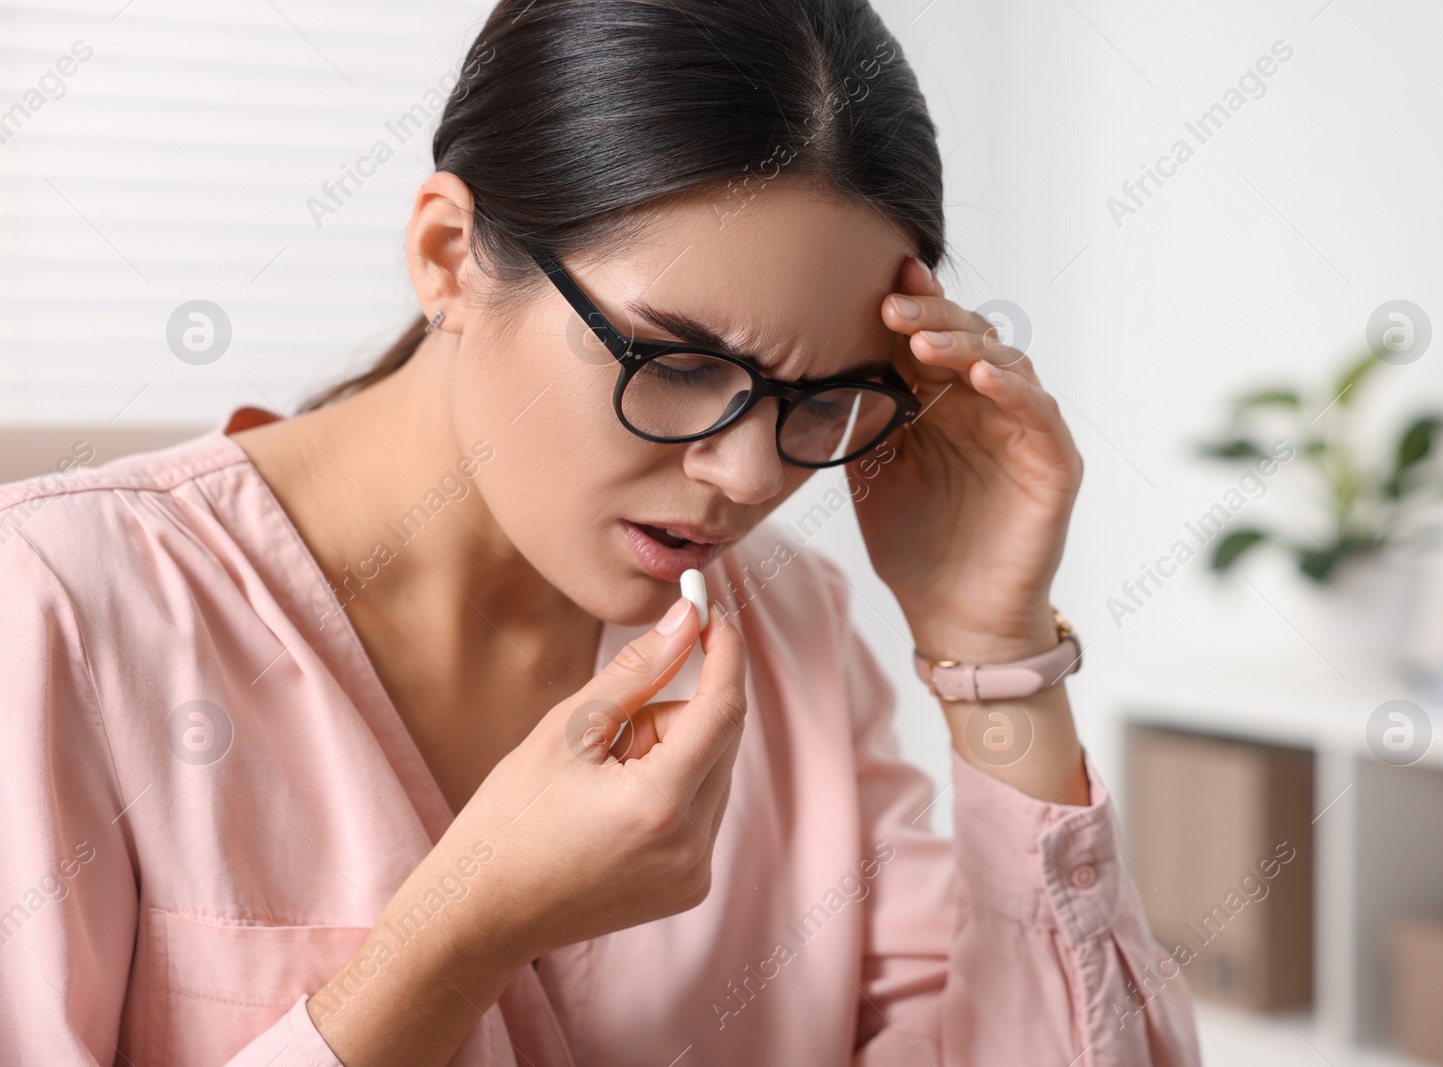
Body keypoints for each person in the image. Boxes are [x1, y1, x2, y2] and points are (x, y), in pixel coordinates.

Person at [0, 1, 1200, 1063]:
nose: (745, 475)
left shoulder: (789, 627)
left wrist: (987, 643)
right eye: (676, 363)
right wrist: (461, 938)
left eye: (823, 397)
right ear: (446, 258)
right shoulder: (55, 610)